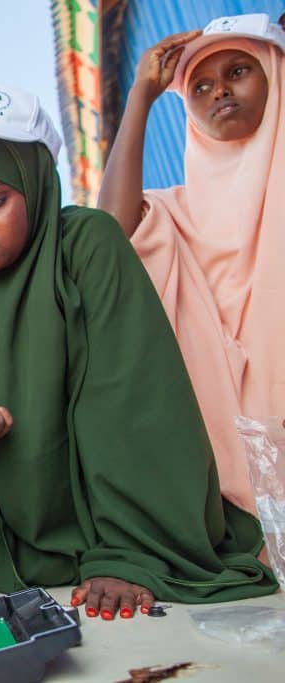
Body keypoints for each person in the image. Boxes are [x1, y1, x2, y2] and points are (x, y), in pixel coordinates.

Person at [0, 83, 278, 622]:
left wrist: (125, 557)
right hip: (7, 557)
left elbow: (129, 406)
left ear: (36, 187)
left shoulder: (86, 245)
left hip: (116, 537)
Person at [97, 13, 285, 515]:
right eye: (200, 86)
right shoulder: (177, 213)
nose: (219, 91)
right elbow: (109, 235)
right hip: (233, 485)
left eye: (239, 72)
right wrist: (141, 95)